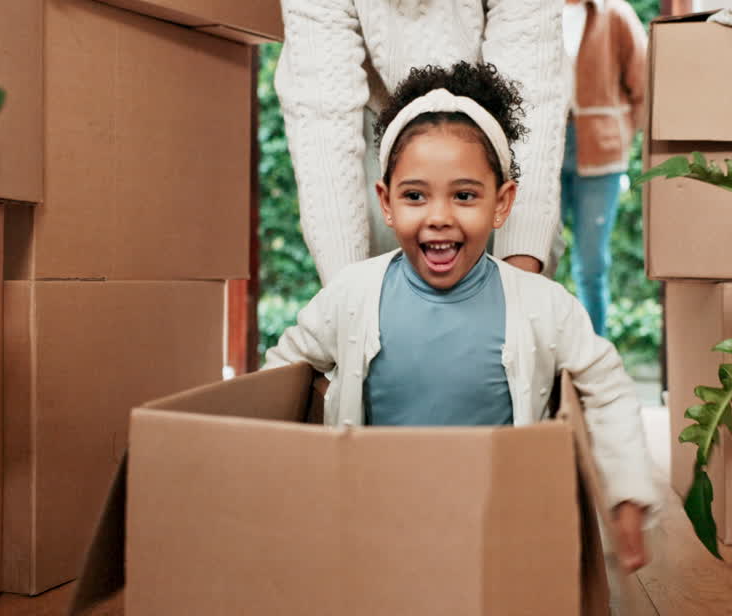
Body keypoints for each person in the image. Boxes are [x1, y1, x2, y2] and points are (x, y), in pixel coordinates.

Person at [265, 62, 657, 573]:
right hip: (375, 529)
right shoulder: (353, 294)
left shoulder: (541, 304)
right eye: (415, 195)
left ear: (502, 202)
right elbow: (280, 372)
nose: (439, 216)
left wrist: (625, 491)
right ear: (386, 202)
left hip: (492, 534)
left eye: (465, 195)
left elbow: (605, 385)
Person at [275, 0, 566, 285]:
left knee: (519, 243)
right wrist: (347, 303)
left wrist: (521, 297)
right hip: (378, 123)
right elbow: (322, 119)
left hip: (488, 121)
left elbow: (530, 102)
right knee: (384, 257)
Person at [557, 0, 648, 335]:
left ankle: (595, 358)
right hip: (545, 151)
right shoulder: (534, 11)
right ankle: (543, 359)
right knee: (535, 258)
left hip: (601, 155)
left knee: (591, 264)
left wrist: (624, 136)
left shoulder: (615, 13)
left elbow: (645, 86)